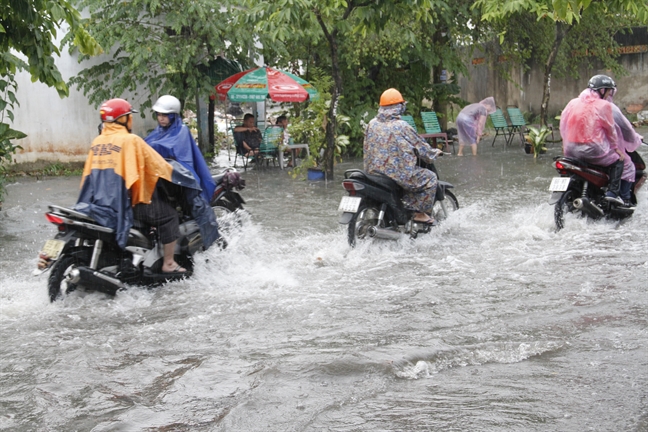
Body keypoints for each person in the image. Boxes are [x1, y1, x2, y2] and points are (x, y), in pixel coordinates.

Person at [74, 99, 219, 275]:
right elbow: (158, 165)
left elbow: (87, 176)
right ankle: (169, 263)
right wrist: (183, 178)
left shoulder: (98, 142)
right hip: (126, 203)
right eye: (129, 116)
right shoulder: (131, 140)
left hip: (99, 201)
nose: (161, 118)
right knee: (169, 216)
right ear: (123, 119)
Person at [364, 88, 443, 225]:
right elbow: (421, 147)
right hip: (396, 174)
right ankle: (419, 214)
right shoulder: (401, 126)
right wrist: (434, 153)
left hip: (373, 173)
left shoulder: (371, 124)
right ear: (399, 107)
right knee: (430, 178)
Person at [560, 75, 626, 205]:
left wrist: (565, 144)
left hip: (571, 149)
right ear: (602, 90)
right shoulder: (604, 105)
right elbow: (610, 130)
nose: (609, 94)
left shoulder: (573, 102)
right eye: (609, 91)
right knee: (618, 160)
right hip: (594, 150)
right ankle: (612, 193)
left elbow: (563, 124)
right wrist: (616, 148)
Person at [145, 95, 216, 203]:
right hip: (163, 173)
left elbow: (171, 148)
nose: (161, 118)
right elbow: (147, 142)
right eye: (159, 114)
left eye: (165, 115)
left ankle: (207, 219)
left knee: (196, 204)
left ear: (173, 115)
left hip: (181, 175)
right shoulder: (159, 130)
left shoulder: (181, 130)